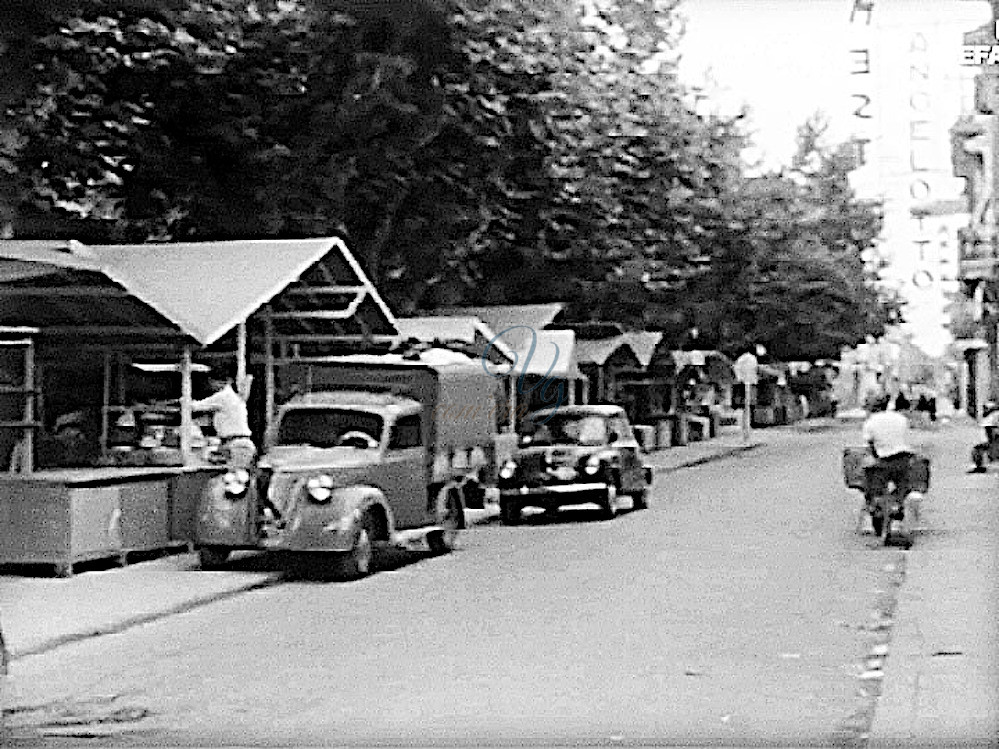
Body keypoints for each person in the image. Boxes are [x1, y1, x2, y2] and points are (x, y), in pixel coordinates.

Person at [190, 367, 256, 470]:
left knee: (234, 478)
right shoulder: (231, 396)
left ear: (214, 381)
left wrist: (183, 400)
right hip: (232, 444)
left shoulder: (223, 397)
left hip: (237, 444)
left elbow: (195, 407)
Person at [861, 394, 914, 512]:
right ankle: (898, 502)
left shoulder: (870, 422)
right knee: (902, 483)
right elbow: (907, 438)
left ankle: (873, 503)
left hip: (883, 461)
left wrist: (874, 454)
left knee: (871, 479)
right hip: (902, 459)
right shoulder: (901, 418)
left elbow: (869, 445)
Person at [970, 401, 999, 473]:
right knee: (977, 449)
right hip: (992, 442)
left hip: (994, 441)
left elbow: (991, 431)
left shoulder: (994, 416)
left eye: (986, 408)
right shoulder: (990, 417)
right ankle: (980, 466)